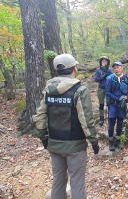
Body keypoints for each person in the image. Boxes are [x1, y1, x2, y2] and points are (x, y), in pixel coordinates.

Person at [32, 54, 99, 199]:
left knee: (58, 181)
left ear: (57, 71)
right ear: (75, 68)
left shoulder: (48, 90)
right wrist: (94, 141)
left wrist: (44, 138)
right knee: (77, 183)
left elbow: (39, 116)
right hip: (75, 146)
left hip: (54, 144)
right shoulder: (80, 90)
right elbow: (86, 121)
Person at [106, 62, 128, 151]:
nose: (116, 69)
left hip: (122, 106)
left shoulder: (126, 78)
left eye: (118, 67)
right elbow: (108, 93)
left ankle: (118, 140)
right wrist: (118, 98)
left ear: (122, 67)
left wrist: (126, 97)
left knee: (120, 123)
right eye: (115, 68)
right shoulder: (110, 79)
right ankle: (111, 141)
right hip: (113, 105)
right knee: (111, 124)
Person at [95, 56, 113, 126]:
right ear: (101, 62)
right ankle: (101, 119)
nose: (104, 63)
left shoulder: (109, 70)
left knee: (109, 104)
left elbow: (113, 78)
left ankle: (109, 118)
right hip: (101, 88)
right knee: (101, 104)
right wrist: (104, 76)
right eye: (103, 61)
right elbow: (96, 79)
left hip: (108, 89)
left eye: (105, 61)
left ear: (108, 62)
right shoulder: (98, 70)